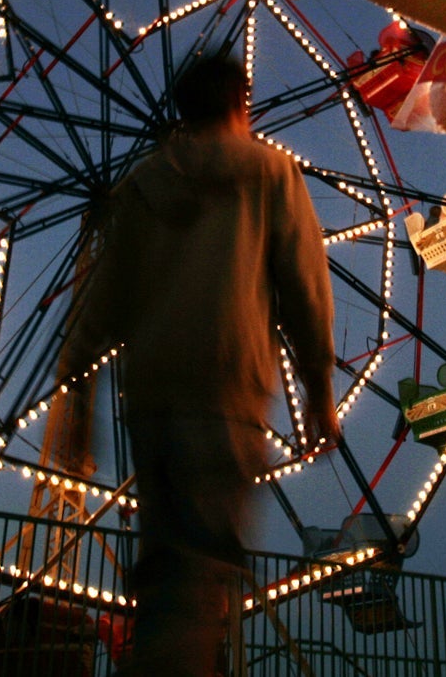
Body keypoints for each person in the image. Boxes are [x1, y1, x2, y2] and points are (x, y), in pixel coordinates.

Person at [62, 54, 337, 676]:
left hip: (150, 400)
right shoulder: (269, 171)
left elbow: (103, 302)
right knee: (200, 576)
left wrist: (78, 391)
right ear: (242, 103)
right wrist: (318, 390)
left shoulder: (142, 183)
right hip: (227, 391)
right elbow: (304, 287)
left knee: (166, 573)